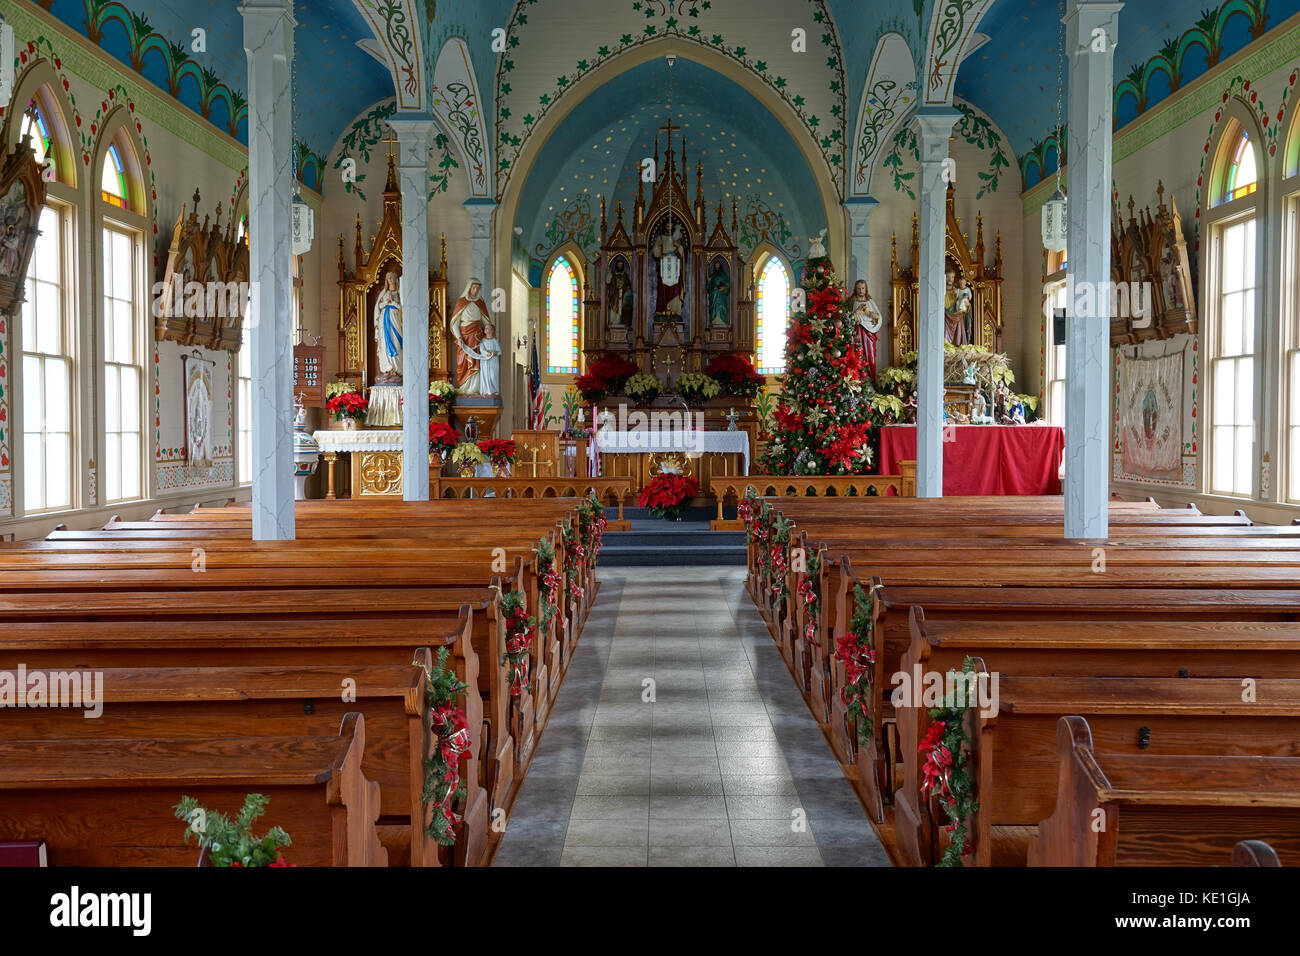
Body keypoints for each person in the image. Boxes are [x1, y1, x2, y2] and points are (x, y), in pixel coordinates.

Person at [450, 278, 491, 394]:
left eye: (478, 288)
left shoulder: (480, 303)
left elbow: (485, 321)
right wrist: (459, 337)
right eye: (474, 288)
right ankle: (465, 387)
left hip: (477, 336)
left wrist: (489, 334)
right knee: (464, 362)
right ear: (469, 288)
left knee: (477, 361)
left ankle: (476, 388)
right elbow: (455, 323)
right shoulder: (461, 302)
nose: (476, 290)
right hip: (464, 337)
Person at [848, 279, 883, 380]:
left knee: (871, 357)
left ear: (866, 289)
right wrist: (856, 312)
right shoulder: (851, 301)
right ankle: (859, 382)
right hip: (857, 331)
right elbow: (847, 318)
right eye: (858, 288)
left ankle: (871, 380)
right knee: (858, 356)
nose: (861, 291)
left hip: (870, 333)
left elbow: (879, 317)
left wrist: (874, 315)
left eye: (863, 288)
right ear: (855, 289)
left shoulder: (870, 301)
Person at [373, 270, 402, 383]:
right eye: (388, 277)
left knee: (396, 342)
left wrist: (393, 302)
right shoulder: (383, 293)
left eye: (392, 277)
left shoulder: (399, 293)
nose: (390, 279)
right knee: (385, 344)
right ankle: (387, 369)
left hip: (395, 320)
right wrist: (386, 302)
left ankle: (396, 370)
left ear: (396, 279)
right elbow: (378, 306)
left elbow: (402, 307)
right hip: (384, 321)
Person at [460, 321, 502, 396]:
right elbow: (482, 349)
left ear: (491, 330)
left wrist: (495, 353)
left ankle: (494, 390)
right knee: (485, 374)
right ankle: (486, 390)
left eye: (487, 328)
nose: (485, 329)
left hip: (493, 361)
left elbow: (499, 351)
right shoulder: (483, 340)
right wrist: (487, 353)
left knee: (493, 375)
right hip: (485, 360)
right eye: (485, 328)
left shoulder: (495, 341)